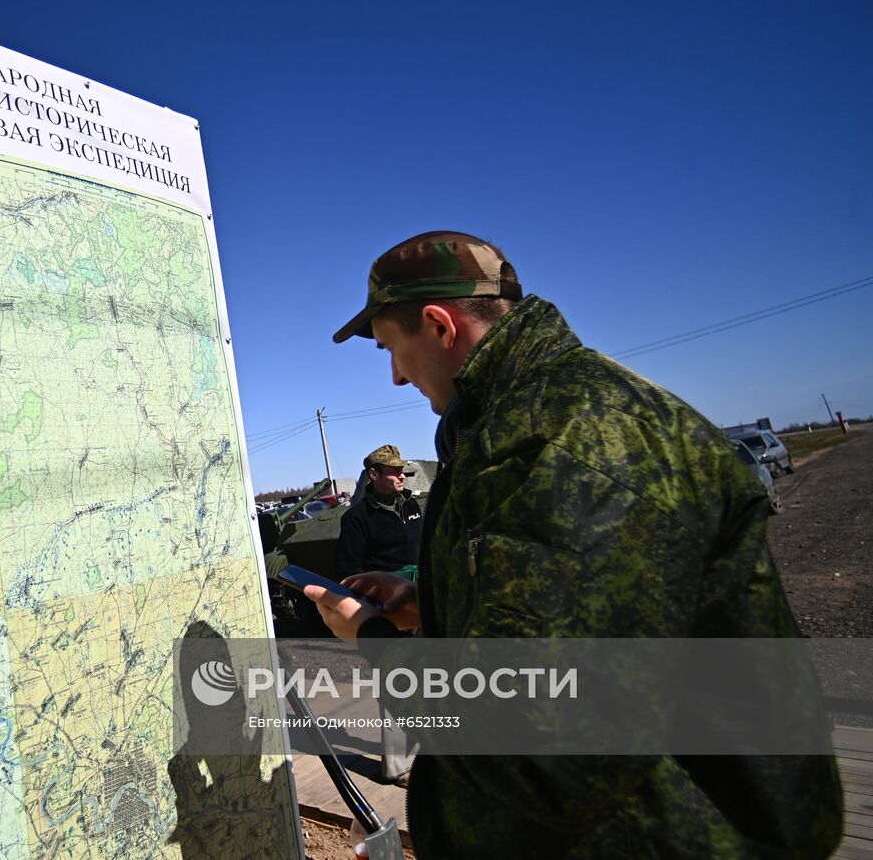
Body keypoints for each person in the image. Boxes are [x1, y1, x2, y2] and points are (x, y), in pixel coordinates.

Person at [305, 230, 843, 858]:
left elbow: (533, 745)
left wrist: (372, 641)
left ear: (439, 325)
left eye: (393, 350)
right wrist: (429, 600)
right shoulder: (531, 422)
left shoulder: (565, 447)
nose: (396, 377)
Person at [335, 443, 421, 785]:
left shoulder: (411, 505)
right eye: (394, 471)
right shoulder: (357, 518)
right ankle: (396, 767)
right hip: (389, 615)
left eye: (403, 471)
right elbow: (348, 573)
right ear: (374, 475)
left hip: (420, 606)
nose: (402, 476)